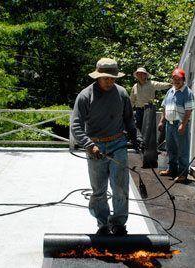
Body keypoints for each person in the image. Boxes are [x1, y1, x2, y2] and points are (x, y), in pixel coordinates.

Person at [71, 58, 138, 236]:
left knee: (120, 187)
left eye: (112, 78)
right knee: (99, 189)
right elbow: (76, 126)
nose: (109, 81)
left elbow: (129, 120)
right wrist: (89, 145)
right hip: (95, 147)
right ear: (98, 77)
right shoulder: (85, 96)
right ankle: (102, 223)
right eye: (106, 78)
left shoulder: (122, 94)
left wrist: (136, 138)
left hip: (118, 144)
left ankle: (119, 224)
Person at [158, 68, 194, 183]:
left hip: (180, 124)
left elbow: (188, 111)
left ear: (183, 80)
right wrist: (162, 121)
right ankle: (171, 169)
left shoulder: (187, 93)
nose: (176, 81)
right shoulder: (170, 91)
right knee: (171, 148)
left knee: (182, 150)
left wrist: (183, 124)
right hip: (169, 124)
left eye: (179, 79)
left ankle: (183, 174)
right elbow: (165, 107)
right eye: (174, 79)